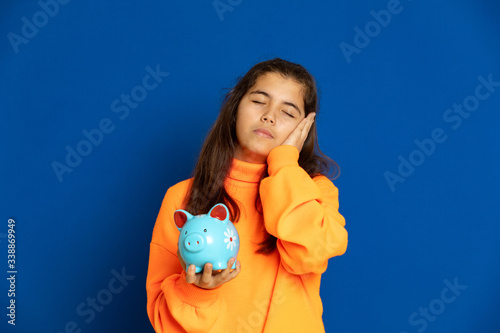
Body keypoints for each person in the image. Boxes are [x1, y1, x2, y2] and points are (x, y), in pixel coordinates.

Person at [146, 58, 348, 332]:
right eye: (259, 101)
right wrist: (197, 291)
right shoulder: (182, 197)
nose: (269, 116)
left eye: (288, 112)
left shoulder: (315, 189)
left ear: (303, 129)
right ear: (235, 107)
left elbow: (311, 254)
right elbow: (162, 318)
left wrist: (286, 163)